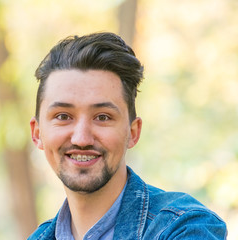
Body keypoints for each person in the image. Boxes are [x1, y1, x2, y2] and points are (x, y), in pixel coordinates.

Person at [28, 32, 227, 240]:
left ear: (133, 133)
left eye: (103, 117)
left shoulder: (185, 227)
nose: (81, 139)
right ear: (37, 133)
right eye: (63, 116)